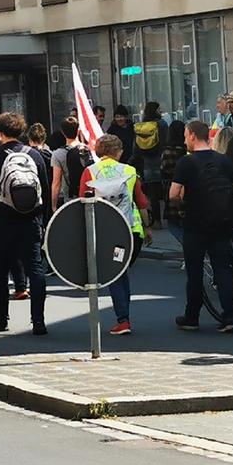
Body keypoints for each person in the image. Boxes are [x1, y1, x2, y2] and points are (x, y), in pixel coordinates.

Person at [171, 120, 233, 333]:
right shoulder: (223, 160)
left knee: (195, 270)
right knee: (222, 268)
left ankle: (192, 317)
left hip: (195, 222)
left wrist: (181, 204)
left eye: (185, 135)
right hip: (222, 221)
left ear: (192, 136)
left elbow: (173, 194)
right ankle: (228, 316)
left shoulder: (185, 163)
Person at [0, 112, 50, 337]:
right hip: (32, 220)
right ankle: (38, 320)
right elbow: (45, 191)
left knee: (1, 269)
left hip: (4, 221)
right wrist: (44, 221)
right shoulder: (36, 155)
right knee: (35, 269)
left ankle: (1, 318)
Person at [79, 134, 151, 334]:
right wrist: (147, 228)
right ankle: (124, 316)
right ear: (118, 151)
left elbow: (82, 204)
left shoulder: (89, 172)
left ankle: (123, 319)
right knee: (121, 271)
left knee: (115, 274)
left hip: (106, 233)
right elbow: (141, 202)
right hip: (131, 232)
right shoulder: (130, 171)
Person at [132, 102, 167, 226]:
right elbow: (164, 142)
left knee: (152, 194)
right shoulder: (161, 124)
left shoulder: (140, 127)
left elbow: (136, 148)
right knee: (165, 188)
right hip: (161, 160)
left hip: (147, 162)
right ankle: (167, 216)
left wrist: (133, 160)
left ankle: (157, 220)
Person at [50, 116, 93, 208]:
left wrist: (53, 206)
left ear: (62, 132)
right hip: (89, 196)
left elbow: (56, 183)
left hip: (71, 199)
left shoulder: (58, 154)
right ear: (78, 130)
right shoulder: (87, 150)